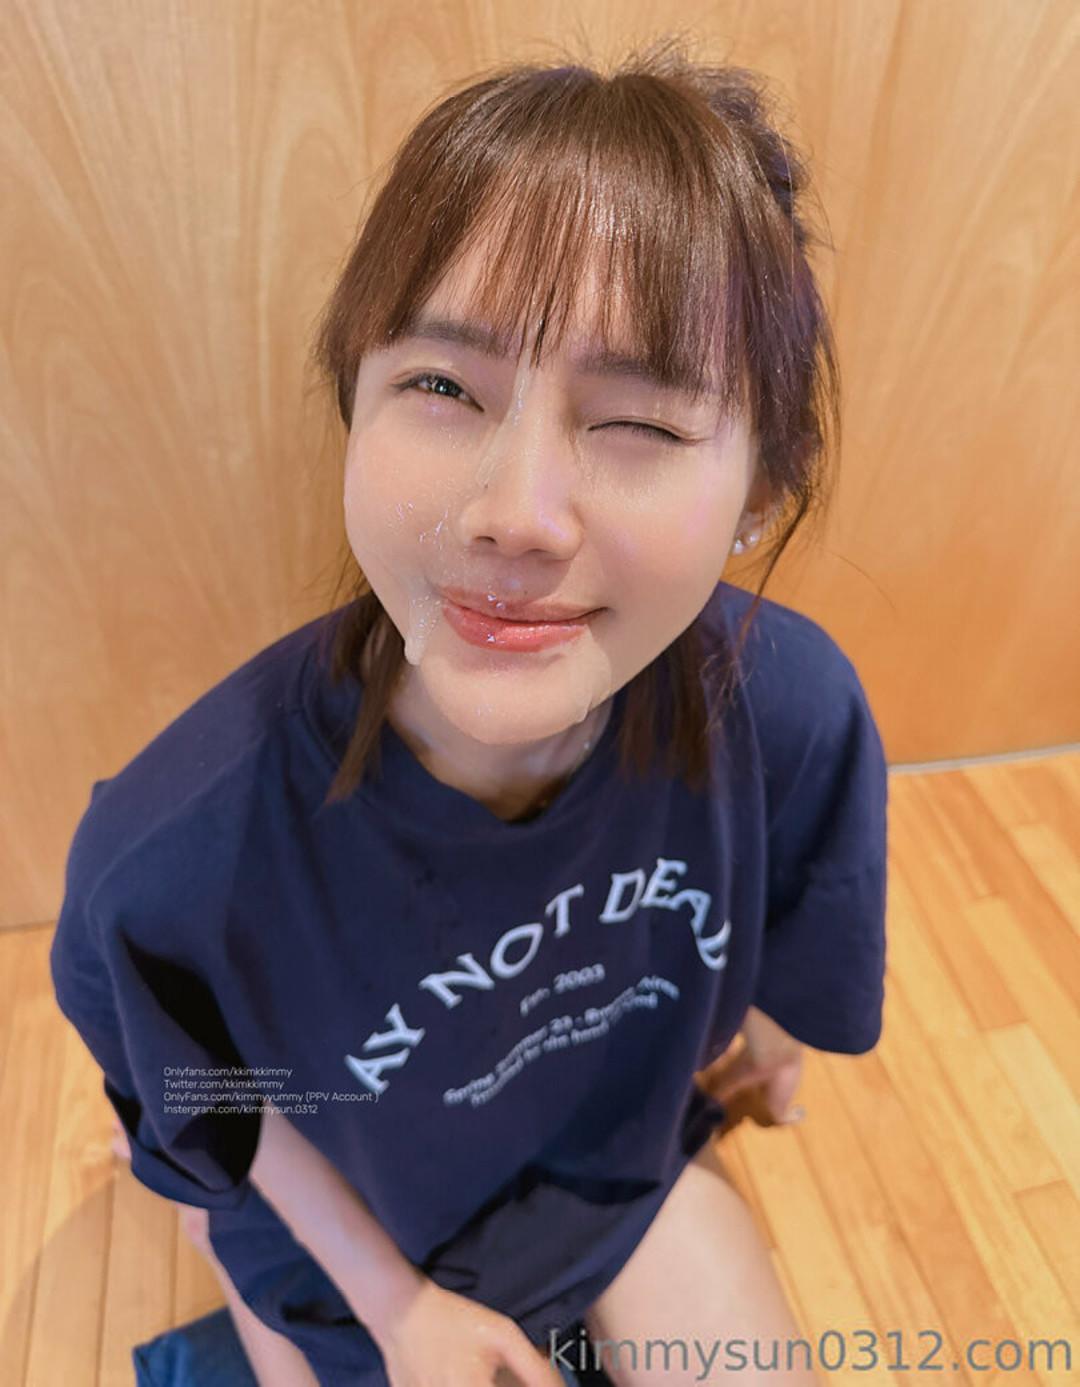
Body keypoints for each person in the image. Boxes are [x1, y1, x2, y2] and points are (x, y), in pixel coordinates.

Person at [50, 36, 888, 1387]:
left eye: (640, 421)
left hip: (603, 1175)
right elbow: (209, 1093)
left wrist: (772, 1040)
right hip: (347, 1251)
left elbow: (796, 944)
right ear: (356, 408)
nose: (516, 514)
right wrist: (398, 1312)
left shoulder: (787, 712)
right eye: (443, 388)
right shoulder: (173, 857)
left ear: (760, 497)